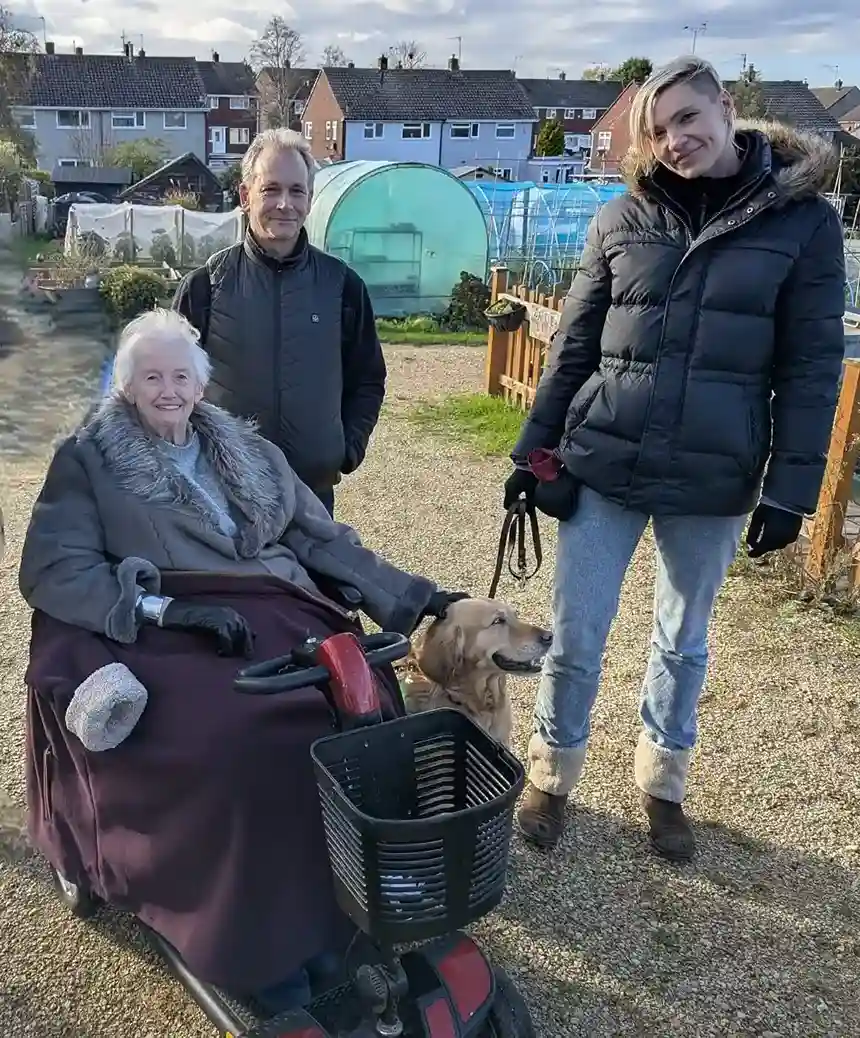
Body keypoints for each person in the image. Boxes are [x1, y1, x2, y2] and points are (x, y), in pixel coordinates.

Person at [18, 307, 465, 1006]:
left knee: (365, 703)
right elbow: (55, 567)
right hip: (168, 626)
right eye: (150, 377)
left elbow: (318, 537)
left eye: (180, 376)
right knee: (243, 742)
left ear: (201, 385)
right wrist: (161, 610)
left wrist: (416, 595)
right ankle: (256, 939)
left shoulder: (250, 450)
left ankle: (341, 899)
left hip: (271, 606)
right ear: (125, 386)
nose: (168, 390)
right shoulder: (87, 458)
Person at [503, 55, 846, 860]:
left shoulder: (803, 224)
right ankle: (552, 772)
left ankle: (663, 783)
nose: (674, 141)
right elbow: (575, 346)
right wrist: (532, 451)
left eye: (687, 118)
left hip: (713, 471)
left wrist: (789, 492)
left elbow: (810, 366)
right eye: (656, 131)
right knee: (576, 634)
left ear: (725, 108)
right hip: (605, 462)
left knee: (683, 639)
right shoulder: (621, 218)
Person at [173, 128, 385, 516]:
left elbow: (367, 378)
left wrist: (346, 448)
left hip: (312, 496)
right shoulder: (205, 287)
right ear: (245, 196)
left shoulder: (342, 287)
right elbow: (169, 385)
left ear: (309, 198)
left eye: (296, 191)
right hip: (224, 498)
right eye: (271, 189)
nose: (284, 204)